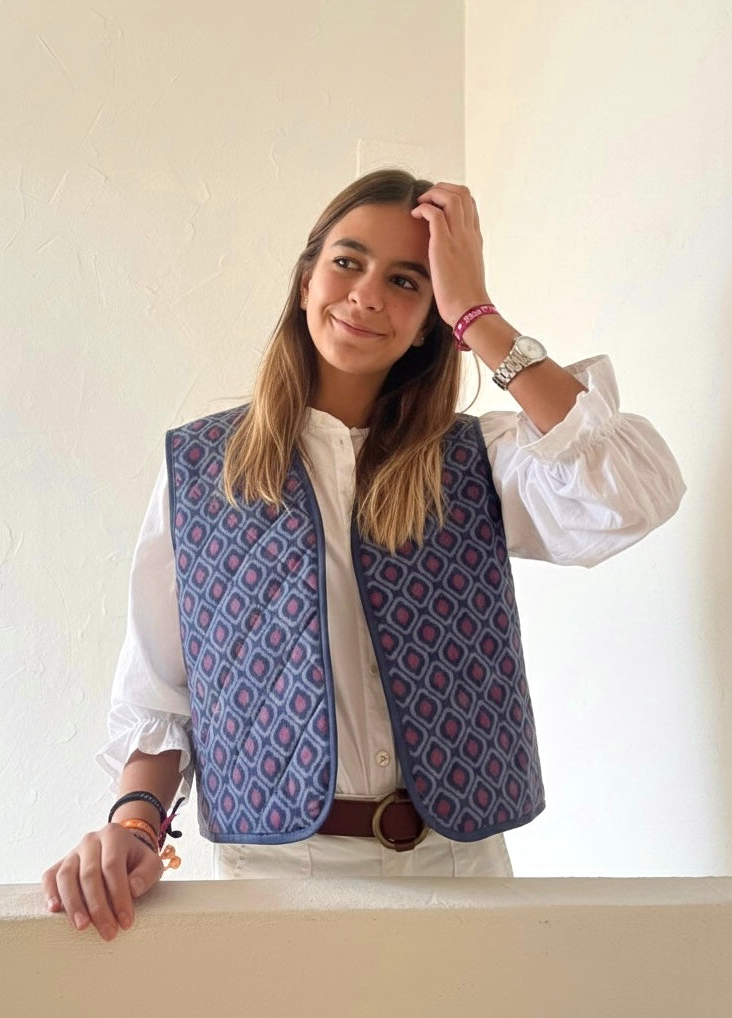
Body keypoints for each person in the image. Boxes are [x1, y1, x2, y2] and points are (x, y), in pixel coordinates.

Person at [42, 169, 685, 940]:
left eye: (406, 281)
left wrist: (478, 316)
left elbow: (631, 491)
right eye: (347, 262)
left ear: (428, 324)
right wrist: (134, 828)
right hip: (278, 877)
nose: (367, 295)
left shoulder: (480, 458)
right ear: (305, 281)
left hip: (460, 867)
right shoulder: (204, 469)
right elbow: (158, 694)